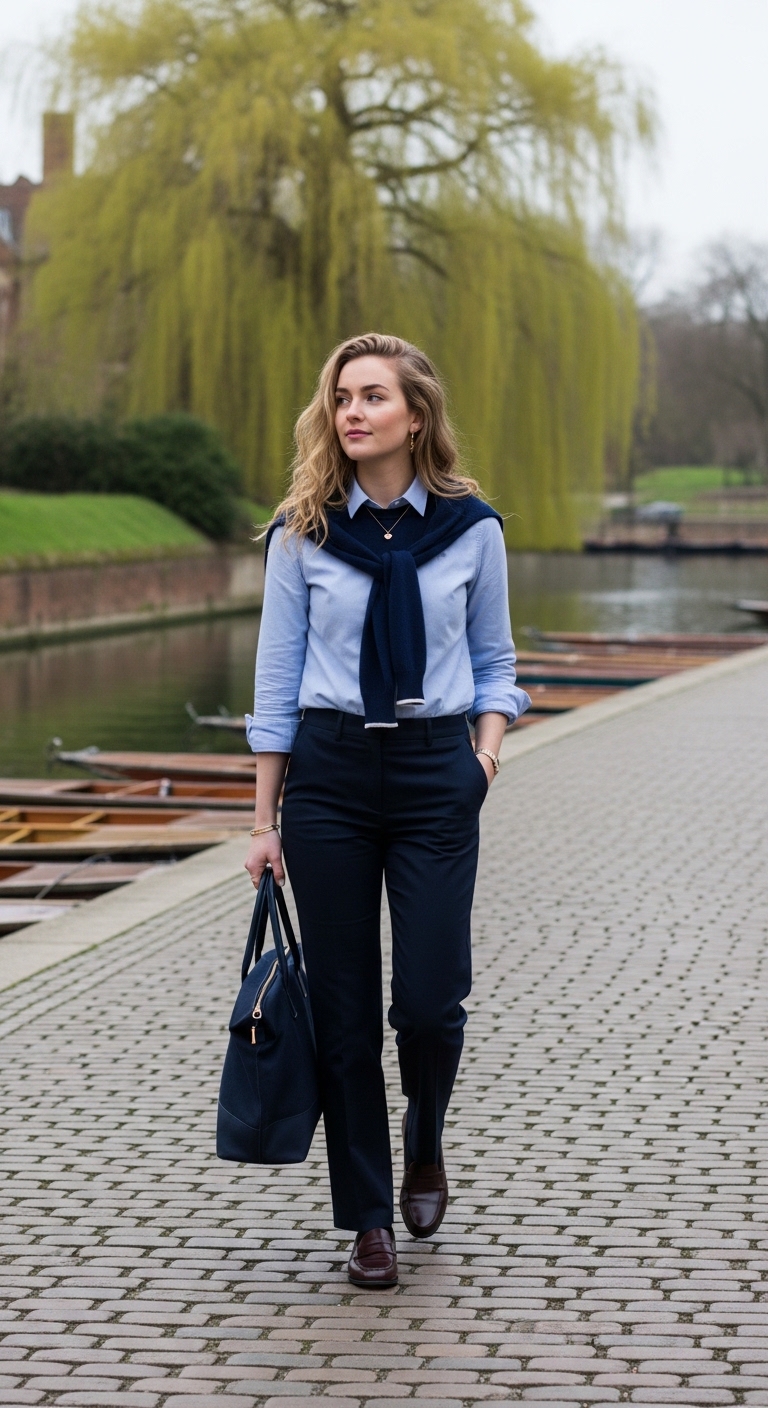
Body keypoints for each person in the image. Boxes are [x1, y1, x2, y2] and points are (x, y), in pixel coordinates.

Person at [244, 332, 529, 1288]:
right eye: (339, 399)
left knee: (430, 999)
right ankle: (368, 1215)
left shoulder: (472, 530)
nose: (351, 413)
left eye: (371, 397)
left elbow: (496, 663)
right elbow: (277, 681)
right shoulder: (303, 533)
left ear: (416, 414)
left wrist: (482, 760)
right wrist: (262, 821)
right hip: (327, 775)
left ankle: (426, 1130)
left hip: (434, 775)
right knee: (343, 1011)